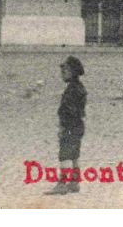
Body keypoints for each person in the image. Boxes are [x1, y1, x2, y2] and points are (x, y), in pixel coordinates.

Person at [48, 56, 86, 196]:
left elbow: (68, 111)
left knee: (64, 155)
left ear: (73, 72)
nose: (62, 73)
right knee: (74, 154)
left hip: (70, 125)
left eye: (65, 71)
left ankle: (62, 184)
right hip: (79, 125)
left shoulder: (71, 90)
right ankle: (75, 182)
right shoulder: (79, 87)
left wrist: (63, 127)